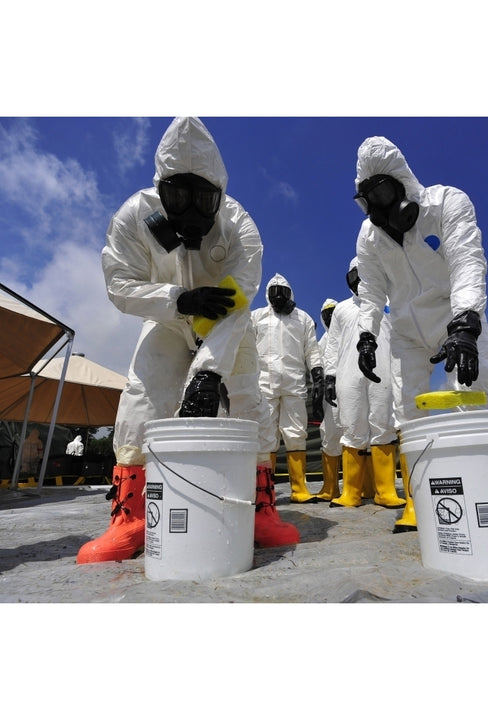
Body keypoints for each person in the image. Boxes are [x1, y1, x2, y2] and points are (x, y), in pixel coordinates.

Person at [77, 117, 299, 564]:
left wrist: (208, 373)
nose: (192, 209)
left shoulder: (240, 228)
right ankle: (132, 517)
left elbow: (239, 302)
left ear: (219, 194)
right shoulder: (134, 218)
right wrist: (179, 299)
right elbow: (120, 283)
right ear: (161, 191)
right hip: (166, 319)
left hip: (225, 323)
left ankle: (259, 511)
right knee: (142, 399)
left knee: (245, 402)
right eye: (178, 197)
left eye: (204, 198)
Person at [352, 136, 488, 531]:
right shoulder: (368, 238)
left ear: (403, 183)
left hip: (455, 318)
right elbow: (370, 292)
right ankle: (420, 500)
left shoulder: (445, 203)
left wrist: (467, 321)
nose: (378, 208)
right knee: (409, 412)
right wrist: (367, 335)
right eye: (367, 201)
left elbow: (467, 260)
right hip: (405, 331)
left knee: (476, 395)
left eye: (383, 192)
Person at [324, 257, 405, 510]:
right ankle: (351, 492)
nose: (358, 280)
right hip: (348, 375)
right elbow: (332, 346)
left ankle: (385, 491)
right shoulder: (341, 310)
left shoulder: (389, 302)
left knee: (383, 424)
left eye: (363, 274)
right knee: (351, 427)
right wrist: (329, 375)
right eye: (353, 276)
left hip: (384, 371)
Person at [251, 273, 325, 503]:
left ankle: (299, 488)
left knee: (296, 433)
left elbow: (311, 349)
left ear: (290, 293)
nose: (278, 296)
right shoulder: (256, 317)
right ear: (267, 295)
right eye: (274, 292)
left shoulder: (302, 318)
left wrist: (318, 372)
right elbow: (247, 349)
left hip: (294, 383)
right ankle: (264, 489)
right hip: (263, 384)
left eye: (282, 292)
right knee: (265, 435)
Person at [316, 297, 343, 501]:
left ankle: (366, 486)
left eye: (334, 312)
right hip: (330, 396)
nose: (331, 317)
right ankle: (330, 487)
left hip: (356, 390)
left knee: (363, 435)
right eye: (327, 314)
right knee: (330, 435)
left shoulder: (352, 333)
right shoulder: (322, 342)